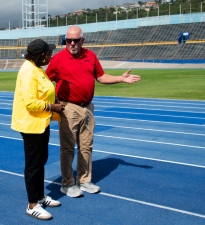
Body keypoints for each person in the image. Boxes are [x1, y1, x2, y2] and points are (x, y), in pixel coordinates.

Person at [46, 25, 141, 198]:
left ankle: (84, 181)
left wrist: (120, 78)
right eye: (68, 40)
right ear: (65, 41)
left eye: (76, 40)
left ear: (83, 40)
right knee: (67, 148)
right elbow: (46, 82)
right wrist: (53, 102)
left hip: (88, 107)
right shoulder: (58, 59)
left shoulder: (90, 55)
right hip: (68, 108)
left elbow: (101, 76)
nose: (72, 43)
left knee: (86, 146)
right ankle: (67, 184)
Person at [11, 39, 65, 220]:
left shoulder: (36, 69)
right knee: (34, 165)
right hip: (31, 124)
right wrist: (52, 107)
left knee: (41, 160)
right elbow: (30, 103)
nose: (51, 55)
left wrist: (54, 102)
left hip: (41, 122)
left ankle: (40, 196)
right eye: (49, 53)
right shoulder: (28, 71)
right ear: (41, 55)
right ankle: (32, 204)